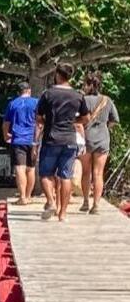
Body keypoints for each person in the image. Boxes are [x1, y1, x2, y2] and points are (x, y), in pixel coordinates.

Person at [35, 64, 90, 221]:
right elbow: (86, 118)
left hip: (51, 138)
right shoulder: (78, 96)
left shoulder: (48, 94)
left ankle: (51, 202)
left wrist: (47, 122)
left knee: (46, 174)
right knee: (66, 177)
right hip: (70, 139)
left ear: (57, 74)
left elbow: (38, 117)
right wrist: (73, 121)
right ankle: (63, 214)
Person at [79, 71, 120, 215]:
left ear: (90, 85)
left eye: (85, 84)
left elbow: (77, 120)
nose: (83, 87)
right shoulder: (107, 100)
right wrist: (104, 126)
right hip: (102, 138)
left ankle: (85, 202)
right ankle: (96, 205)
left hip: (86, 138)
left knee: (86, 172)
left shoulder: (82, 100)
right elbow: (114, 120)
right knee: (98, 173)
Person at [2, 82, 38, 205]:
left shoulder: (13, 103)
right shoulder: (36, 103)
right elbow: (40, 121)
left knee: (19, 168)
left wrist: (6, 135)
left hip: (17, 139)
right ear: (29, 90)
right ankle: (28, 196)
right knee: (31, 168)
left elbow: (6, 123)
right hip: (33, 139)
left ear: (19, 92)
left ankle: (22, 197)